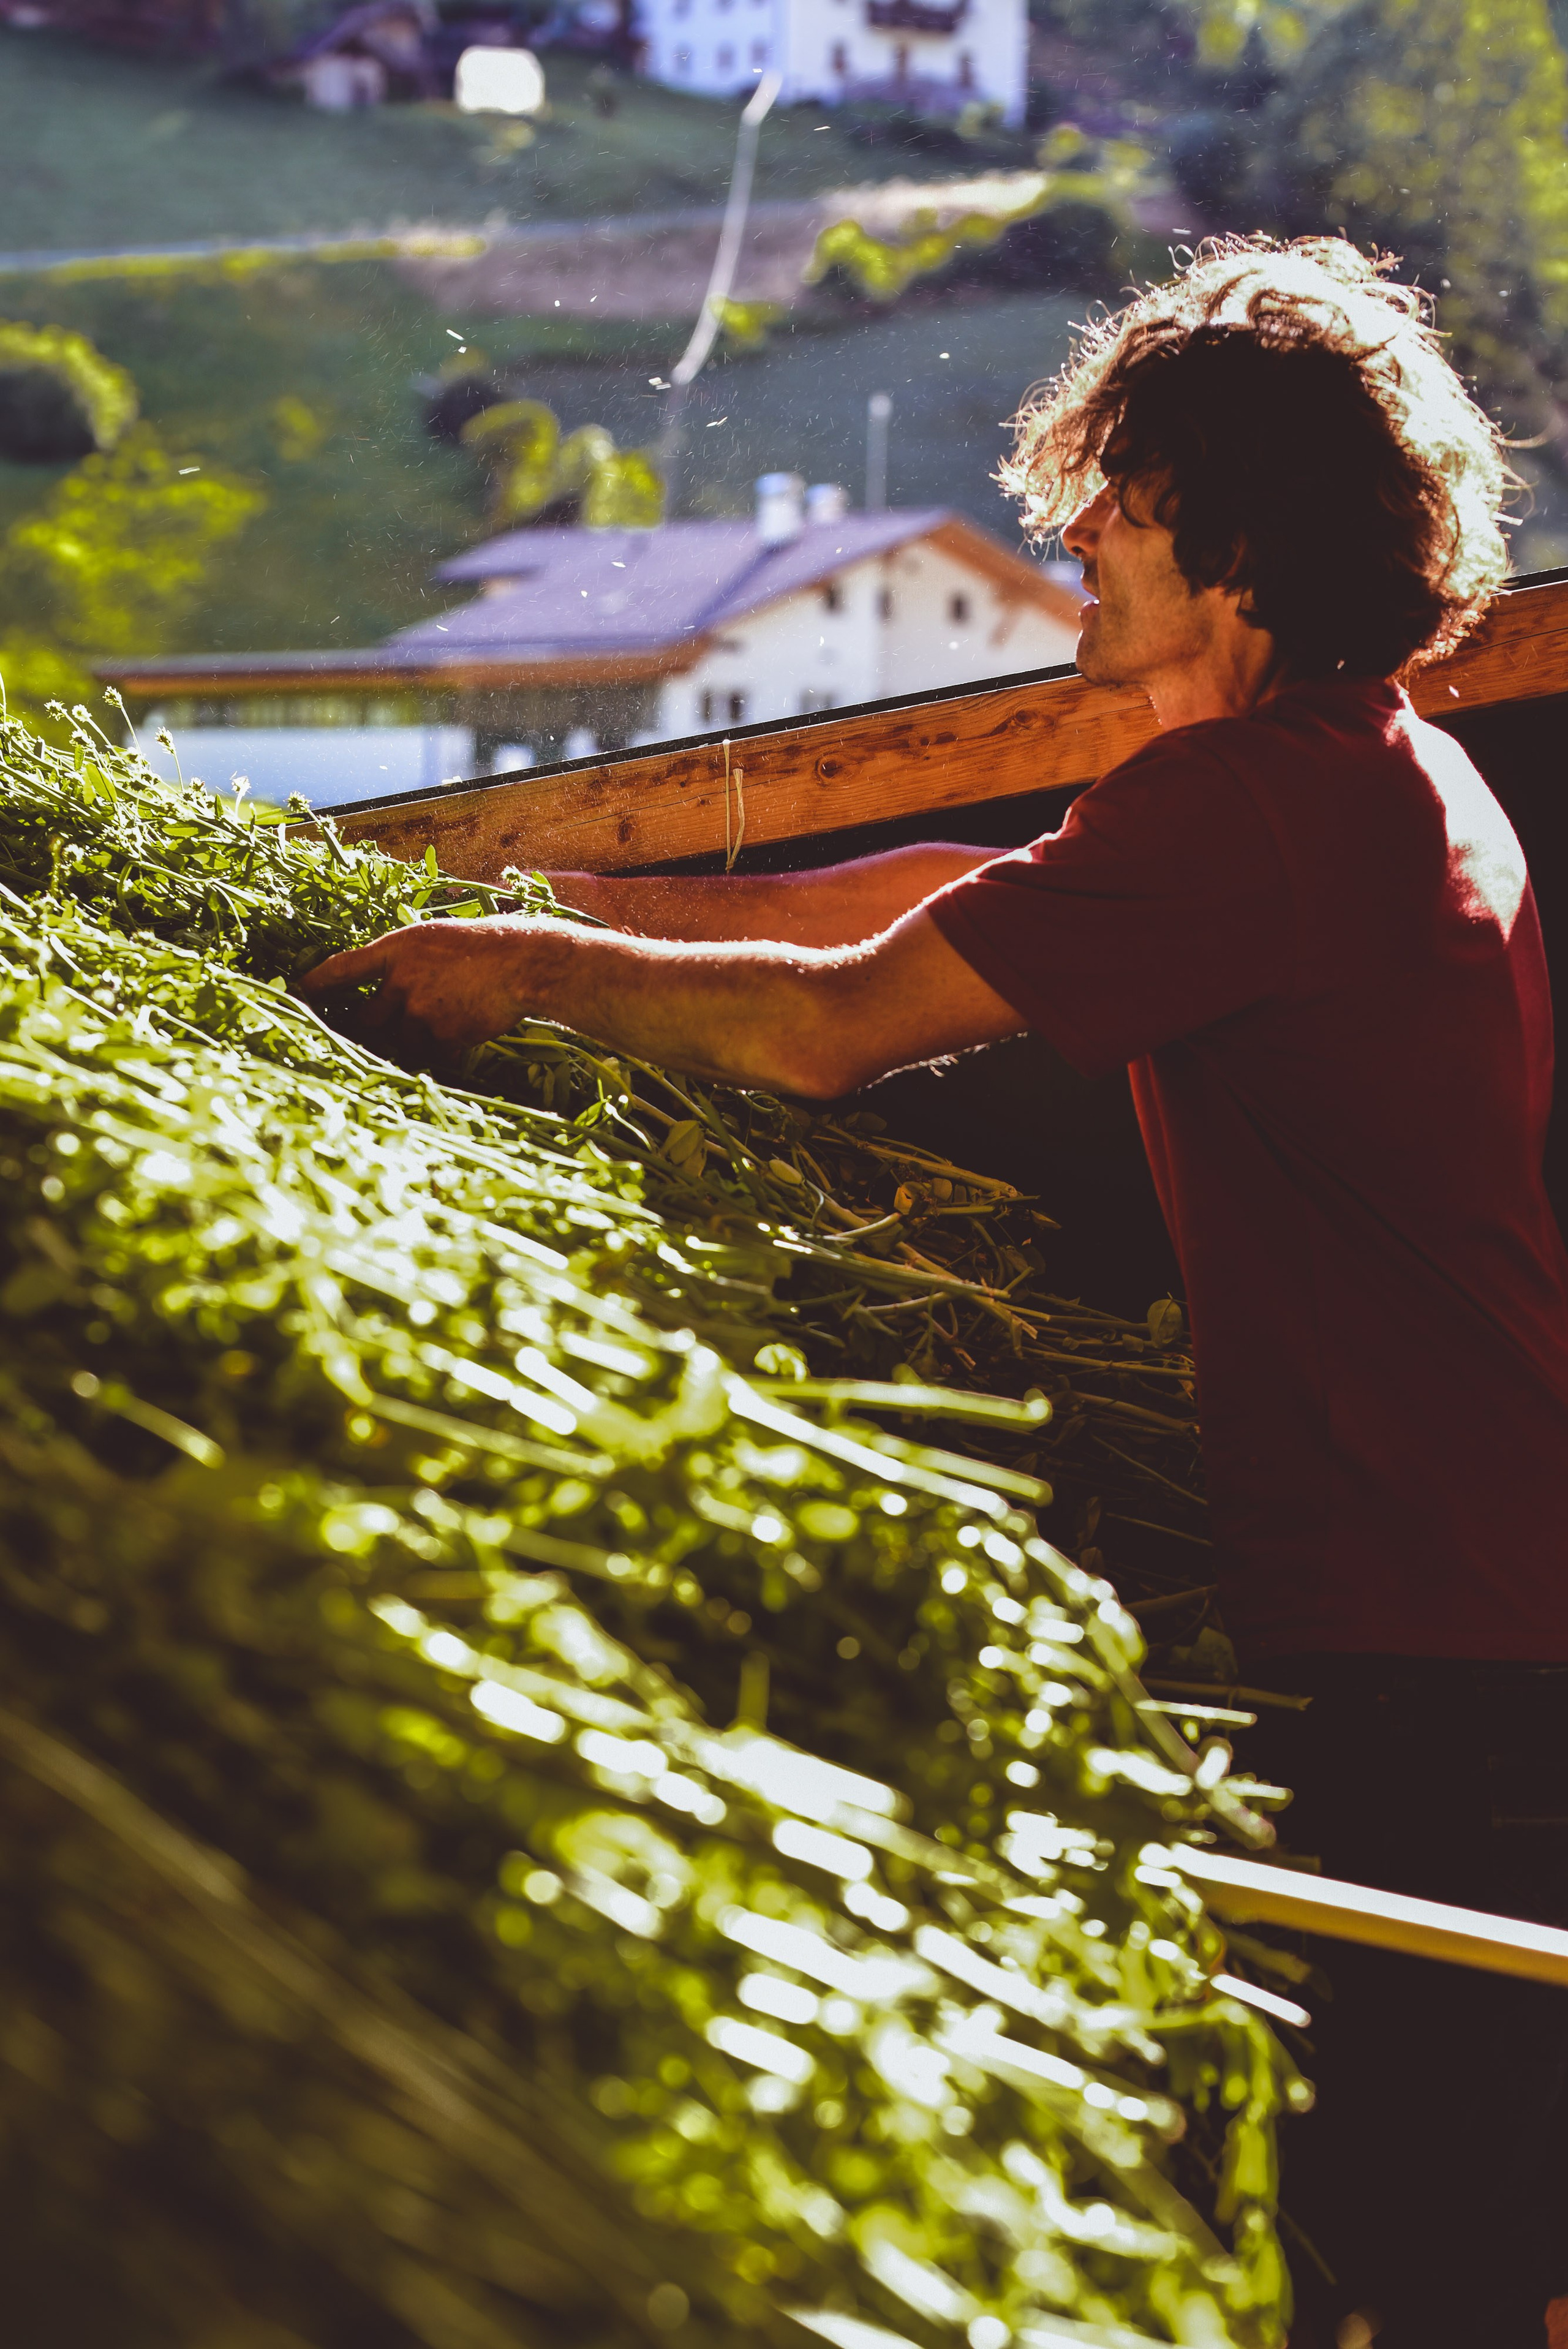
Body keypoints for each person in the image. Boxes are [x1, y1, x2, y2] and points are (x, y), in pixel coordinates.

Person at [305, 237, 1568, 2347]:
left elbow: (835, 1028)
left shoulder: (1257, 804)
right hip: (1482, 1575)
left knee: (1420, 2254)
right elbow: (955, 897)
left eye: (1127, 516)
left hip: (1424, 1618)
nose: (1078, 546)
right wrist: (578, 890)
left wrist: (523, 979)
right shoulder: (1367, 766)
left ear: (1234, 551)